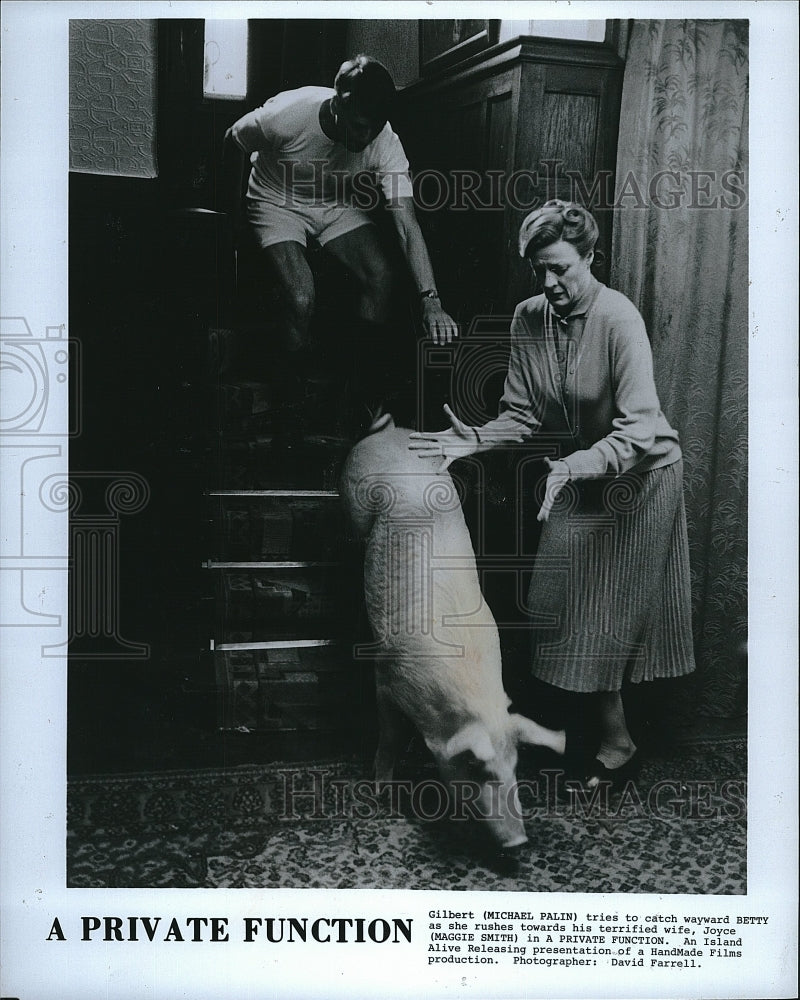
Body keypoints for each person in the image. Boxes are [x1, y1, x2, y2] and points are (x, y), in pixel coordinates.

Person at [409, 200, 696, 788]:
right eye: (539, 269)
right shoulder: (528, 317)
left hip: (641, 478)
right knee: (556, 604)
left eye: (561, 268)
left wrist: (575, 467)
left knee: (605, 612)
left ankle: (615, 745)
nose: (550, 283)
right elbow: (521, 413)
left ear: (591, 257)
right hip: (578, 472)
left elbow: (642, 427)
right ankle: (586, 735)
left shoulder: (619, 318)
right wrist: (476, 441)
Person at [223, 55, 458, 437]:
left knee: (381, 276)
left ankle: (354, 405)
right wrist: (232, 223)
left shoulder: (384, 141)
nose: (364, 139)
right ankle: (289, 408)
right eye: (359, 126)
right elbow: (231, 142)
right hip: (274, 199)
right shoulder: (289, 113)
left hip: (333, 203)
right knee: (301, 298)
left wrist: (431, 300)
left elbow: (406, 224)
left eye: (374, 129)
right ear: (339, 102)